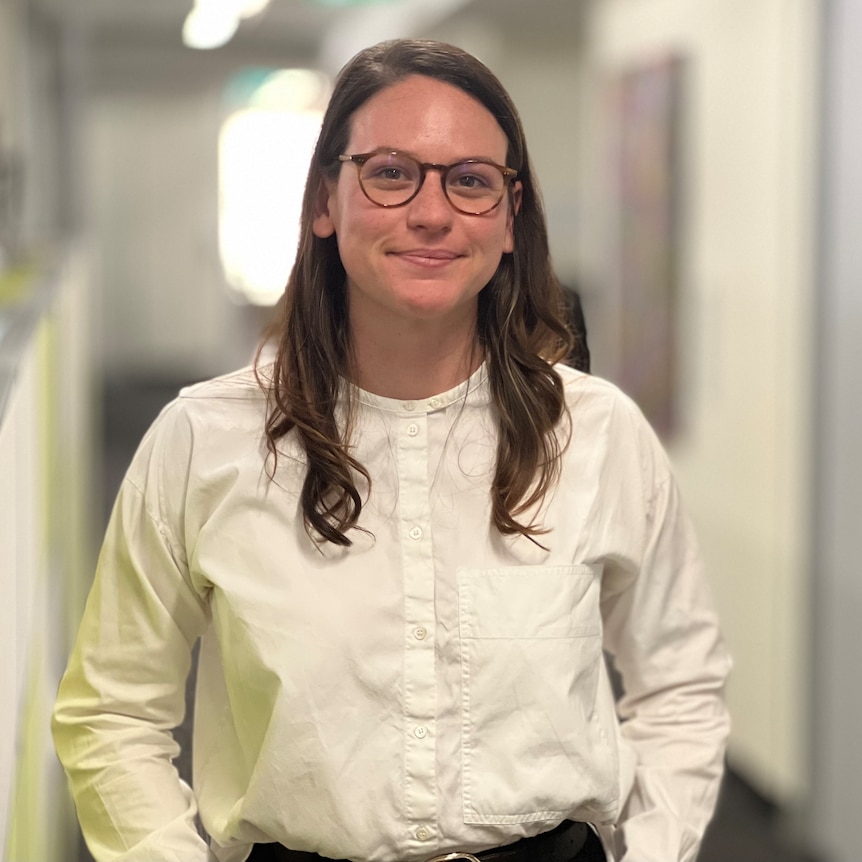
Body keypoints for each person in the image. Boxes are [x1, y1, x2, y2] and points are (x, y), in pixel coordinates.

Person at [52, 39, 731, 862]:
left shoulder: (597, 435)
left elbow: (679, 686)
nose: (433, 212)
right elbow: (113, 712)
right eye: (391, 172)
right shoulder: (203, 441)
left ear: (510, 219)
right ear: (324, 201)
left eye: (471, 180)